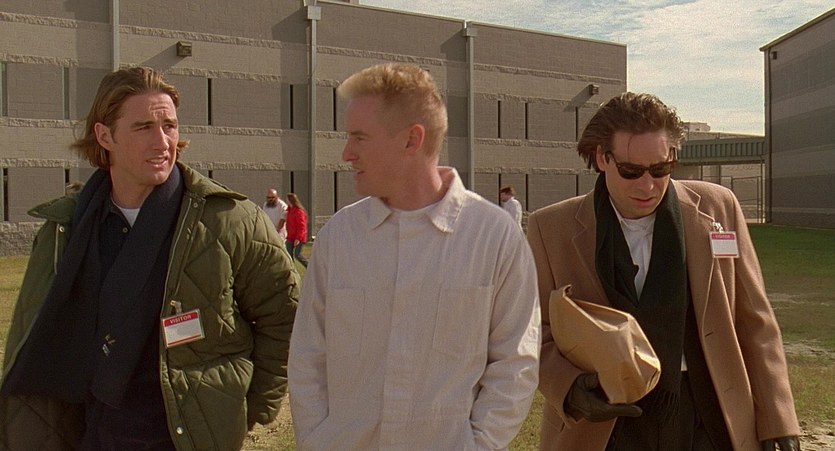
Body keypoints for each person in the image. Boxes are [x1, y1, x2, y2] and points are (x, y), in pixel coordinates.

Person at [0, 66, 299, 450]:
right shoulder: (65, 228)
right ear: (104, 136)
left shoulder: (229, 220)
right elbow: (33, 337)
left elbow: (284, 318)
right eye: (143, 127)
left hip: (184, 439)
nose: (163, 142)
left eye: (169, 126)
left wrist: (245, 411)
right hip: (92, 434)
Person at [527, 92, 801, 451]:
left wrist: (778, 420)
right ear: (602, 157)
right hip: (604, 422)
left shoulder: (718, 208)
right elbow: (532, 331)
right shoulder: (550, 228)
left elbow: (754, 320)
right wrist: (570, 387)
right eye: (631, 171)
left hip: (706, 414)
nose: (647, 185)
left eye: (660, 169)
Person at [288, 63, 541, 450]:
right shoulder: (339, 238)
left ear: (412, 139)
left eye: (359, 138)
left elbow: (515, 363)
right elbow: (308, 356)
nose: (346, 154)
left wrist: (476, 445)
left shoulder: (493, 237)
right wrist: (318, 440)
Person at [284, 192, 308, 268]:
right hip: (290, 237)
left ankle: (308, 266)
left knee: (297, 254)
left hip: (298, 237)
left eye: (287, 199)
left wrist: (298, 238)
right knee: (288, 255)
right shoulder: (289, 211)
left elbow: (302, 226)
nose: (286, 201)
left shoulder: (299, 212)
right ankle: (291, 269)